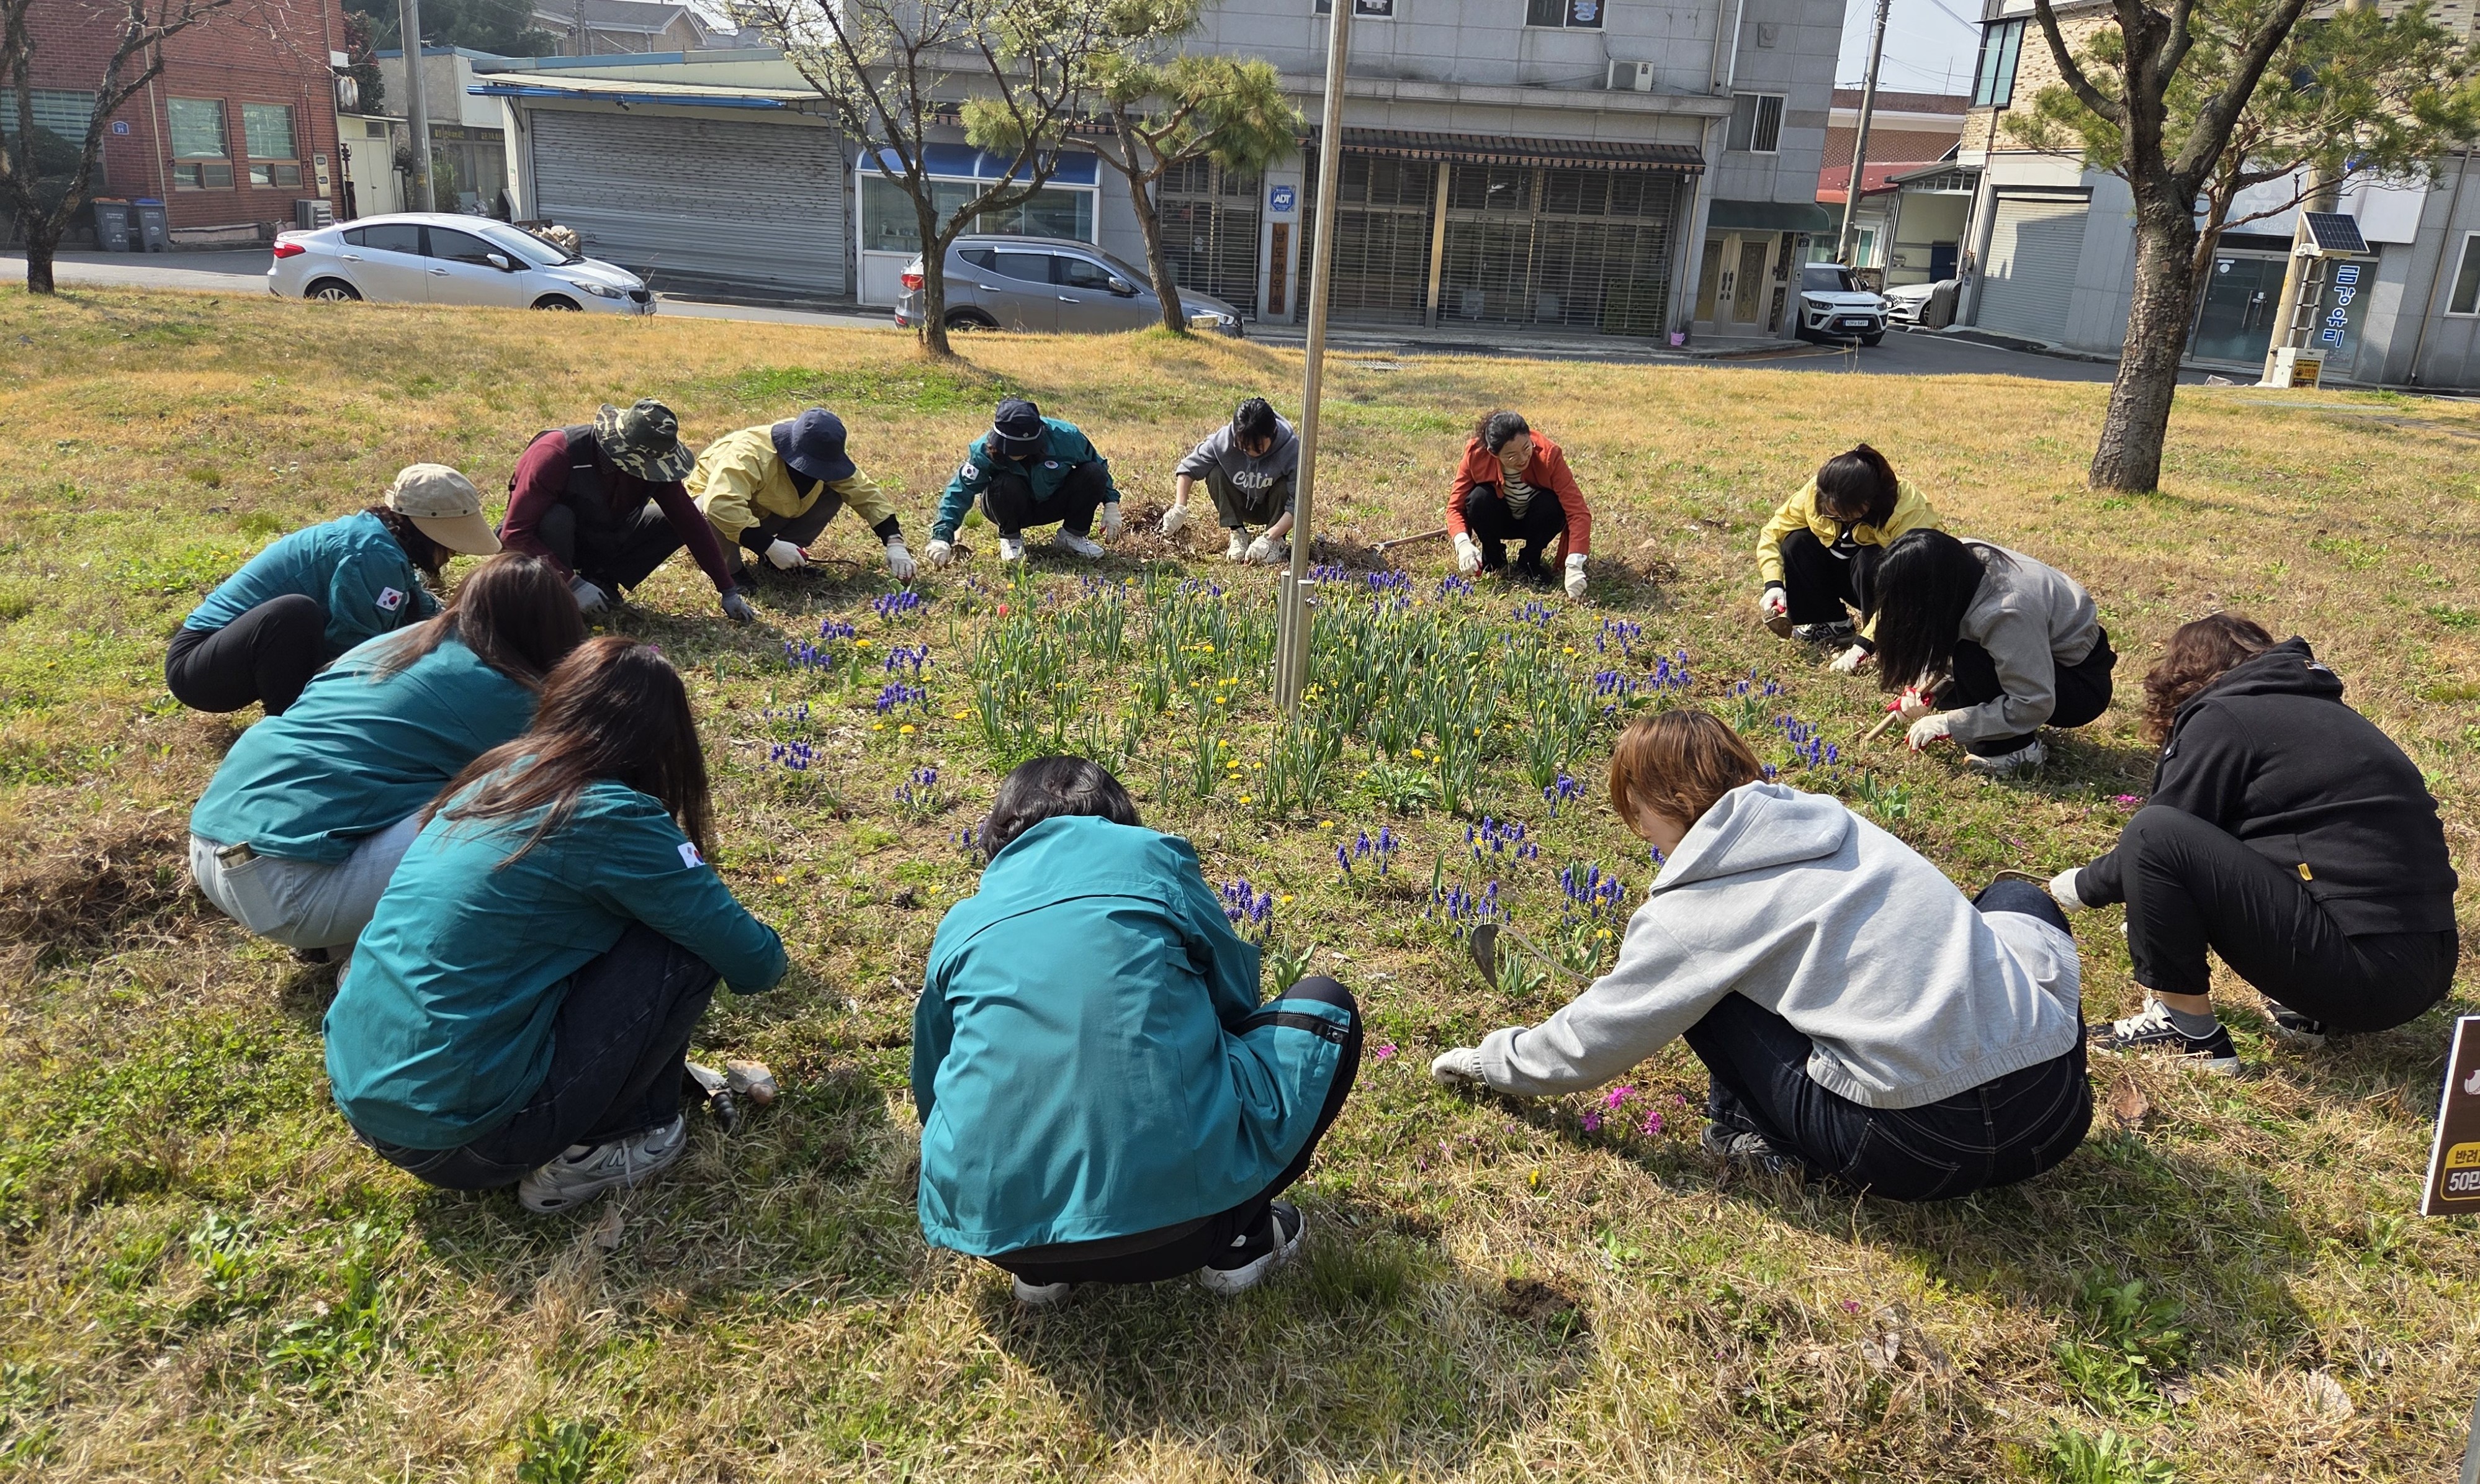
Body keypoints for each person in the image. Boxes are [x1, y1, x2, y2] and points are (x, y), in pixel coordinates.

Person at [1431, 709, 2089, 1202]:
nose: (1641, 835)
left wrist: (1486, 1061)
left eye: (1637, 815)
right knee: (2012, 897)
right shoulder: (1842, 826)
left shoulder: (1693, 916)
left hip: (1919, 1150)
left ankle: (1748, 1137)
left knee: (1705, 994)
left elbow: (1591, 1042)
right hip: (2058, 1109)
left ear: (1654, 802)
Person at [325, 637, 786, 1212]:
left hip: (364, 1093)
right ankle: (603, 1148)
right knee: (681, 945)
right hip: (468, 1139)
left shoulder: (493, 776)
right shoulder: (612, 814)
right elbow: (752, 959)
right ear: (660, 741)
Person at [912, 756, 1361, 1304]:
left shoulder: (963, 920)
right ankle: (1241, 1240)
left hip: (997, 1234)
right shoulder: (1154, 858)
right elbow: (1237, 997)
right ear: (1117, 814)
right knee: (1326, 1008)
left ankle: (1041, 1269)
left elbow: (933, 1083)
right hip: (1186, 1230)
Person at [2051, 615, 2459, 1070]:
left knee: (2154, 831)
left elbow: (2160, 839)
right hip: (2429, 966)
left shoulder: (2224, 715)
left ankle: (2186, 1031)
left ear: (2181, 677)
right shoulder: (2325, 715)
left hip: (2361, 976)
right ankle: (2306, 1012)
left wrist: (2076, 887)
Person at [189, 554, 585, 960]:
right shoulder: (502, 688)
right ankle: (380, 964)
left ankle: (338, 940)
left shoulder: (397, 643)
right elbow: (584, 774)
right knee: (529, 800)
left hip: (210, 845)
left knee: (418, 775)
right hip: (292, 885)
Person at [168, 464, 500, 716]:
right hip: (201, 669)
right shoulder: (372, 553)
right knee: (294, 613)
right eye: (451, 542)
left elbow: (416, 605)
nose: (455, 552)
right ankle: (294, 727)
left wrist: (461, 624)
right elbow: (354, 650)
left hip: (232, 658)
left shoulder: (384, 545)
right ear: (425, 530)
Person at [1871, 530, 2117, 776]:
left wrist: (1950, 724)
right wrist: (1928, 691)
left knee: (1970, 656)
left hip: (2080, 684)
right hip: (2038, 656)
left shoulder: (2006, 614)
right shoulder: (1959, 559)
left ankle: (2015, 752)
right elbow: (1952, 624)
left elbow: (2033, 703)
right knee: (1967, 652)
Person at [498, 398, 755, 623]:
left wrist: (727, 588)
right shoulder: (556, 453)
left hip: (602, 534)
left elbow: (690, 523)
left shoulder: (655, 465)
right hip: (549, 544)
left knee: (668, 520)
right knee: (556, 519)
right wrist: (570, 583)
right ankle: (557, 600)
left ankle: (602, 581)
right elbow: (515, 535)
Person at [684, 406, 917, 583]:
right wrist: (769, 546)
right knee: (709, 505)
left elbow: (865, 493)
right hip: (713, 508)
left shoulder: (822, 447)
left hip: (768, 507)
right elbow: (722, 503)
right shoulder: (751, 453)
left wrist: (894, 542)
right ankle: (730, 572)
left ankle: (784, 559)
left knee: (834, 493)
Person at [1754, 443, 1940, 659]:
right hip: (1847, 571)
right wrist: (1773, 585)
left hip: (1890, 588)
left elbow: (1912, 584)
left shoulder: (1908, 510)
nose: (1834, 519)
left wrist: (1866, 643)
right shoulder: (1819, 490)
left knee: (1870, 558)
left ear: (1867, 504)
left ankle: (1887, 638)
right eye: (1829, 515)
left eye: (1842, 516)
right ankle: (1831, 623)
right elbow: (1772, 533)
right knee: (1796, 542)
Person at [923, 399, 1123, 567]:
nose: (1015, 453)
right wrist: (942, 537)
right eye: (1009, 448)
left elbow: (1098, 465)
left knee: (1093, 473)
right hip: (1007, 506)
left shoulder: (1066, 437)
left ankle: (1071, 536)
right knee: (1005, 482)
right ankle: (1011, 539)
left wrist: (1111, 503)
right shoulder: (982, 450)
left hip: (1053, 501)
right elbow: (960, 491)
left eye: (1022, 448)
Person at [1447, 410, 1593, 596]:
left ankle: (1530, 560)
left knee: (1553, 504)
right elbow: (1455, 508)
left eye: (1526, 448)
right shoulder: (1475, 454)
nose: (1523, 459)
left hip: (1535, 521)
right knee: (1478, 499)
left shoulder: (1549, 454)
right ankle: (1494, 558)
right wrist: (1463, 544)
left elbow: (1578, 512)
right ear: (1494, 453)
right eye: (1511, 455)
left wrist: (1575, 563)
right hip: (1498, 519)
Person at [1160, 397, 1299, 564]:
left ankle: (1275, 542)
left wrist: (1269, 537)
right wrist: (1179, 508)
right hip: (1242, 503)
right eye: (1244, 447)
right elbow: (1188, 468)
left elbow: (1298, 506)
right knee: (1215, 472)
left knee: (1285, 486)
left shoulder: (1291, 448)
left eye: (1258, 447)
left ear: (1273, 434)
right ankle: (1238, 532)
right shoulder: (1225, 439)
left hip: (1275, 509)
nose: (1250, 453)